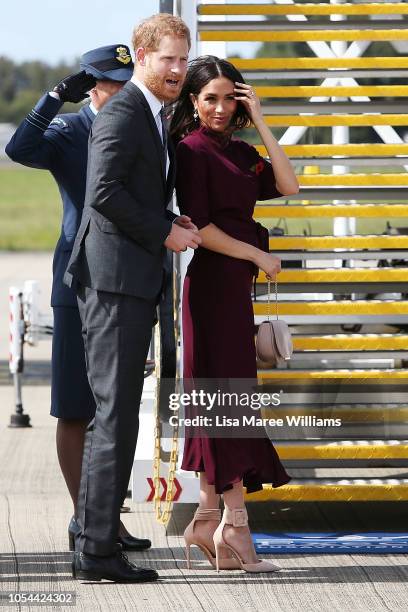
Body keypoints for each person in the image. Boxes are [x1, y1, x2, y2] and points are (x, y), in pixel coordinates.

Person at [64, 14, 201, 583]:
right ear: (142, 57)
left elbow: (133, 189)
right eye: (168, 59)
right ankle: (96, 552)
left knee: (115, 417)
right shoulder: (124, 111)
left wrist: (169, 217)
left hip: (130, 277)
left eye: (183, 61)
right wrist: (162, 230)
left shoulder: (151, 113)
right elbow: (102, 193)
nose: (177, 70)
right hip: (114, 280)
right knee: (114, 418)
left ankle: (90, 534)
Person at [5, 45, 151, 552]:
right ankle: (82, 520)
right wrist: (52, 99)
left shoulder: (140, 127)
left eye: (126, 81)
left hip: (127, 280)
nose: (121, 90)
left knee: (116, 408)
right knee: (74, 407)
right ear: (91, 85)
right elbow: (19, 150)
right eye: (111, 82)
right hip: (76, 279)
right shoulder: (71, 131)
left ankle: (105, 520)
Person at [170, 56, 299, 573]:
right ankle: (235, 528)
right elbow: (200, 227)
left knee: (222, 401)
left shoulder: (243, 151)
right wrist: (258, 256)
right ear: (194, 103)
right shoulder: (190, 150)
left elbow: (287, 185)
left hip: (232, 290)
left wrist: (263, 121)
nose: (220, 109)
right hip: (211, 288)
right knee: (227, 402)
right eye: (209, 99)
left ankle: (208, 518)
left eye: (229, 98)